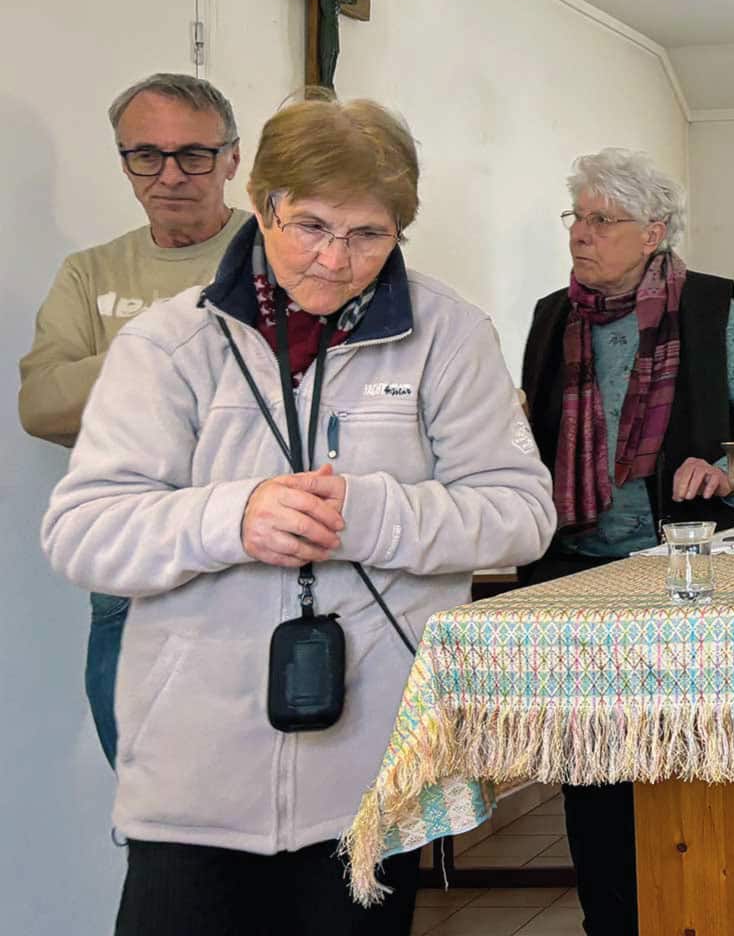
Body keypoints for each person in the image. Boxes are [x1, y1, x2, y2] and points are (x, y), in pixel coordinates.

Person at [41, 92, 557, 935]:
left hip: (374, 770)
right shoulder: (168, 344)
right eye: (310, 226)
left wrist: (369, 514)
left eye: (368, 235)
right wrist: (232, 517)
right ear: (261, 202)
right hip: (194, 773)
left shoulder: (451, 335)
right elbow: (84, 532)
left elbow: (520, 513)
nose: (335, 259)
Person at [519, 148, 734, 936]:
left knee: (691, 759)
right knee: (592, 768)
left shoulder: (705, 307)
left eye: (602, 220)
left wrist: (722, 467)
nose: (581, 233)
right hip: (573, 574)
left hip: (681, 574)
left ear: (653, 232)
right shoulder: (551, 317)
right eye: (577, 216)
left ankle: (708, 911)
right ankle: (610, 923)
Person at [20, 72, 248, 767]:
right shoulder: (88, 273)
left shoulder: (279, 256)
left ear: (232, 158)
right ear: (123, 162)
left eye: (193, 155)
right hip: (130, 576)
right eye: (146, 155)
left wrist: (119, 384)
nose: (169, 175)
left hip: (253, 575)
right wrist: (167, 344)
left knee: (274, 806)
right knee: (148, 799)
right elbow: (42, 403)